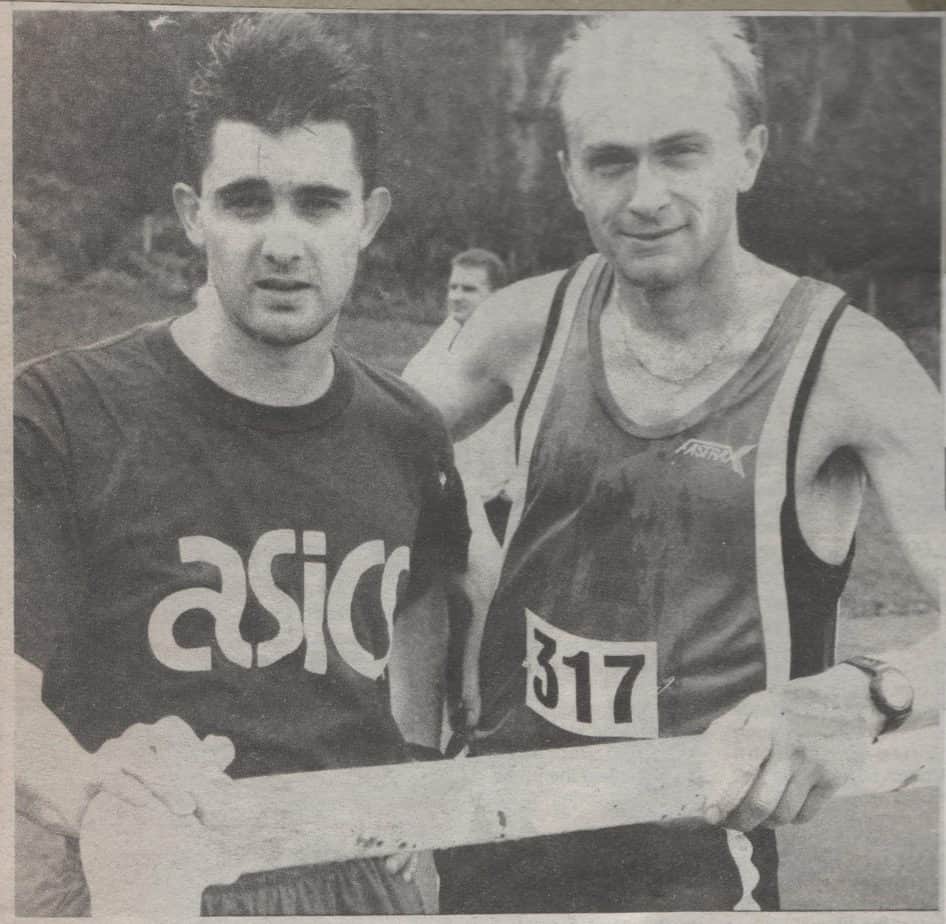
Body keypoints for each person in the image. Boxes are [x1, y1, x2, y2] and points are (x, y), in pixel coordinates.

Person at [404, 14, 943, 913]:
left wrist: (870, 693)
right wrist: (459, 548)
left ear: (749, 155)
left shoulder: (849, 365)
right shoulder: (520, 325)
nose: (645, 195)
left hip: (693, 866)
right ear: (571, 176)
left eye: (681, 152)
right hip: (499, 838)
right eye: (611, 160)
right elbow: (344, 461)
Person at [14, 13, 468, 916]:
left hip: (353, 882)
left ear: (369, 217)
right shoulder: (60, 413)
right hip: (134, 876)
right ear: (195, 213)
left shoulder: (408, 432)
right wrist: (95, 799)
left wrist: (412, 767)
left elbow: (426, 595)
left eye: (320, 203)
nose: (283, 244)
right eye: (248, 201)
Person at [406, 248, 514, 543]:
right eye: (453, 287)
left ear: (496, 295)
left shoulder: (514, 347)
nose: (456, 296)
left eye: (469, 289)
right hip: (446, 498)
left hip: (498, 503)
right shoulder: (439, 344)